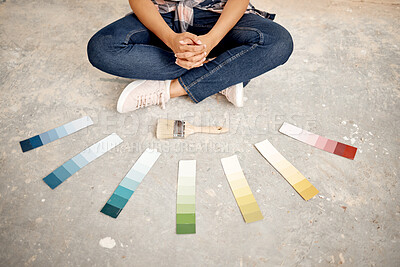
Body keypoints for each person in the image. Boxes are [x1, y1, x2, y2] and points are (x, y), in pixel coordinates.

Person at [87, 0, 293, 113]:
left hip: (215, 15)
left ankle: (171, 89)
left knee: (278, 41)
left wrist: (209, 41)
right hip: (162, 16)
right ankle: (223, 71)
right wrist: (170, 39)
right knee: (102, 48)